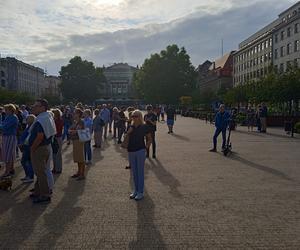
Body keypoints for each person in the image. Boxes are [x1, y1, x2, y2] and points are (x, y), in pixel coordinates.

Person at [29, 99, 56, 204]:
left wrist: (32, 148)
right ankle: (38, 191)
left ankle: (45, 194)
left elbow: (40, 137)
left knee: (40, 172)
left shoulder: (41, 119)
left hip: (39, 148)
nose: (34, 107)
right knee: (40, 171)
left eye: (36, 106)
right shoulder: (47, 116)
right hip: (45, 146)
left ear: (43, 107)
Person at [127, 110, 152, 201]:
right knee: (134, 172)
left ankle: (140, 191)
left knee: (140, 172)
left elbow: (149, 139)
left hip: (140, 150)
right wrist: (129, 132)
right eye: (133, 116)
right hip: (131, 150)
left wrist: (146, 148)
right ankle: (136, 190)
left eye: (136, 116)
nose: (134, 117)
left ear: (140, 117)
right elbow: (126, 138)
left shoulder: (144, 127)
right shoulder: (131, 126)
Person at [0, 104, 19, 178]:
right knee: (8, 154)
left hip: (10, 137)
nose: (5, 111)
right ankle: (10, 170)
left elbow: (4, 126)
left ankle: (7, 171)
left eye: (6, 109)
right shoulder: (9, 117)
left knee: (8, 155)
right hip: (7, 136)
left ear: (11, 110)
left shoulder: (13, 117)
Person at [69, 108, 86, 180]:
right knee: (78, 157)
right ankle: (79, 172)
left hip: (79, 140)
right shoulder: (76, 121)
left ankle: (82, 174)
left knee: (80, 158)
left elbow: (77, 130)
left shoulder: (80, 121)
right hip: (76, 140)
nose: (73, 114)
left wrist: (72, 131)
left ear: (78, 114)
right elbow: (73, 129)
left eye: (75, 113)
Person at [19, 114, 36, 183]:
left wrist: (22, 143)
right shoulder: (28, 126)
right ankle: (28, 176)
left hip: (27, 147)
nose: (26, 120)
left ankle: (30, 176)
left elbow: (29, 138)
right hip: (25, 147)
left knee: (27, 162)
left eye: (27, 119)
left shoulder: (31, 128)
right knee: (25, 161)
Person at [52, 109, 64, 174]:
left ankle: (58, 168)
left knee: (57, 154)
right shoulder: (58, 121)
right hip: (57, 137)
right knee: (55, 154)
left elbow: (56, 130)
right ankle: (55, 168)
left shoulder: (57, 121)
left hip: (57, 137)